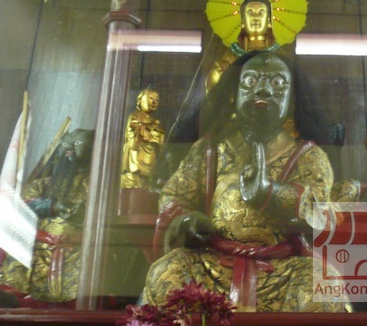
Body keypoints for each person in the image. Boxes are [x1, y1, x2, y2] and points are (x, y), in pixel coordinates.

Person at [141, 52, 346, 313]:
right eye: (250, 81)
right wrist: (187, 220)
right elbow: (175, 194)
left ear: (293, 100)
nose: (263, 89)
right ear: (233, 94)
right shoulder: (209, 150)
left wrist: (270, 193)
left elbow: (318, 208)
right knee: (166, 273)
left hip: (283, 270)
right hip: (212, 265)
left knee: (325, 285)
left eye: (277, 83)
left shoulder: (309, 156)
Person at [0, 129, 93, 307]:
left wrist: (79, 215)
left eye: (77, 144)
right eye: (65, 144)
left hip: (78, 249)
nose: (69, 149)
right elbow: (22, 208)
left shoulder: (95, 184)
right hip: (40, 247)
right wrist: (52, 206)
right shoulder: (44, 183)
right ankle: (12, 290)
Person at [205, 0, 281, 93]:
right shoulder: (233, 53)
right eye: (250, 12)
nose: (255, 17)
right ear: (243, 20)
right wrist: (219, 73)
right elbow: (215, 90)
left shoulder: (278, 53)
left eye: (261, 12)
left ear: (269, 20)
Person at [121, 88, 165, 189]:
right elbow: (132, 130)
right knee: (132, 180)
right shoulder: (135, 116)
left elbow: (159, 135)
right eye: (151, 98)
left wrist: (156, 132)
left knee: (147, 182)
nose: (154, 102)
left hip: (149, 155)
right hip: (136, 151)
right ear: (140, 100)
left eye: (157, 100)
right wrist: (149, 129)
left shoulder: (155, 121)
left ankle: (146, 184)